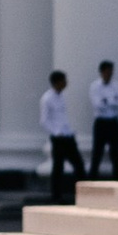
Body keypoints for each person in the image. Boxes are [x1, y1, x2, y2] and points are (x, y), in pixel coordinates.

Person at [40, 70, 83, 202]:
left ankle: (83, 193)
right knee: (58, 167)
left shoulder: (62, 96)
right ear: (57, 82)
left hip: (67, 135)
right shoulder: (47, 98)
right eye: (64, 80)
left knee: (79, 165)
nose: (66, 83)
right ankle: (56, 196)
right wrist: (56, 132)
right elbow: (44, 120)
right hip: (58, 138)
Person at [88, 60, 118, 181]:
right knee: (97, 152)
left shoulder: (116, 85)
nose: (110, 74)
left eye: (111, 72)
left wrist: (107, 100)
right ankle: (92, 180)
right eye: (108, 71)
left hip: (113, 122)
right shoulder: (95, 86)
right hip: (101, 122)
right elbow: (97, 104)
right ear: (102, 72)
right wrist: (113, 100)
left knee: (116, 153)